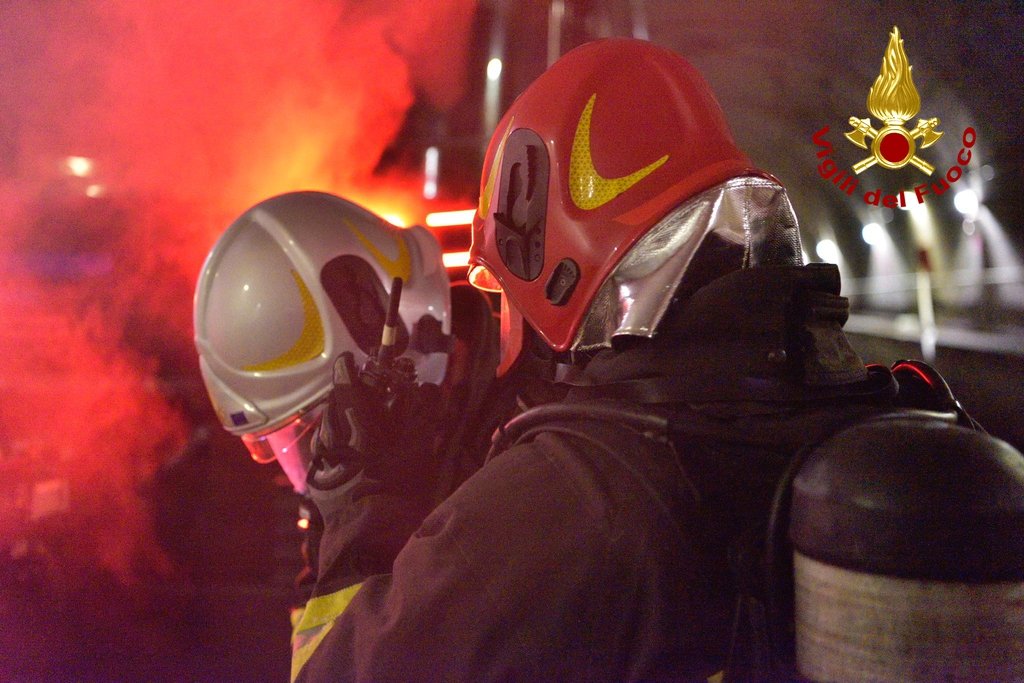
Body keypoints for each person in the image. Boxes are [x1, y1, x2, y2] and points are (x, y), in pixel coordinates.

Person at [295, 38, 1023, 683]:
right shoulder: (905, 410)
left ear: (550, 260)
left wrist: (361, 510)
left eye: (504, 294)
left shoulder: (556, 506)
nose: (504, 322)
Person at [193, 190, 521, 611]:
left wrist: (363, 550)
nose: (317, 470)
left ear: (397, 353)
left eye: (317, 426)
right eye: (285, 447)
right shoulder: (358, 514)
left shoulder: (525, 464)